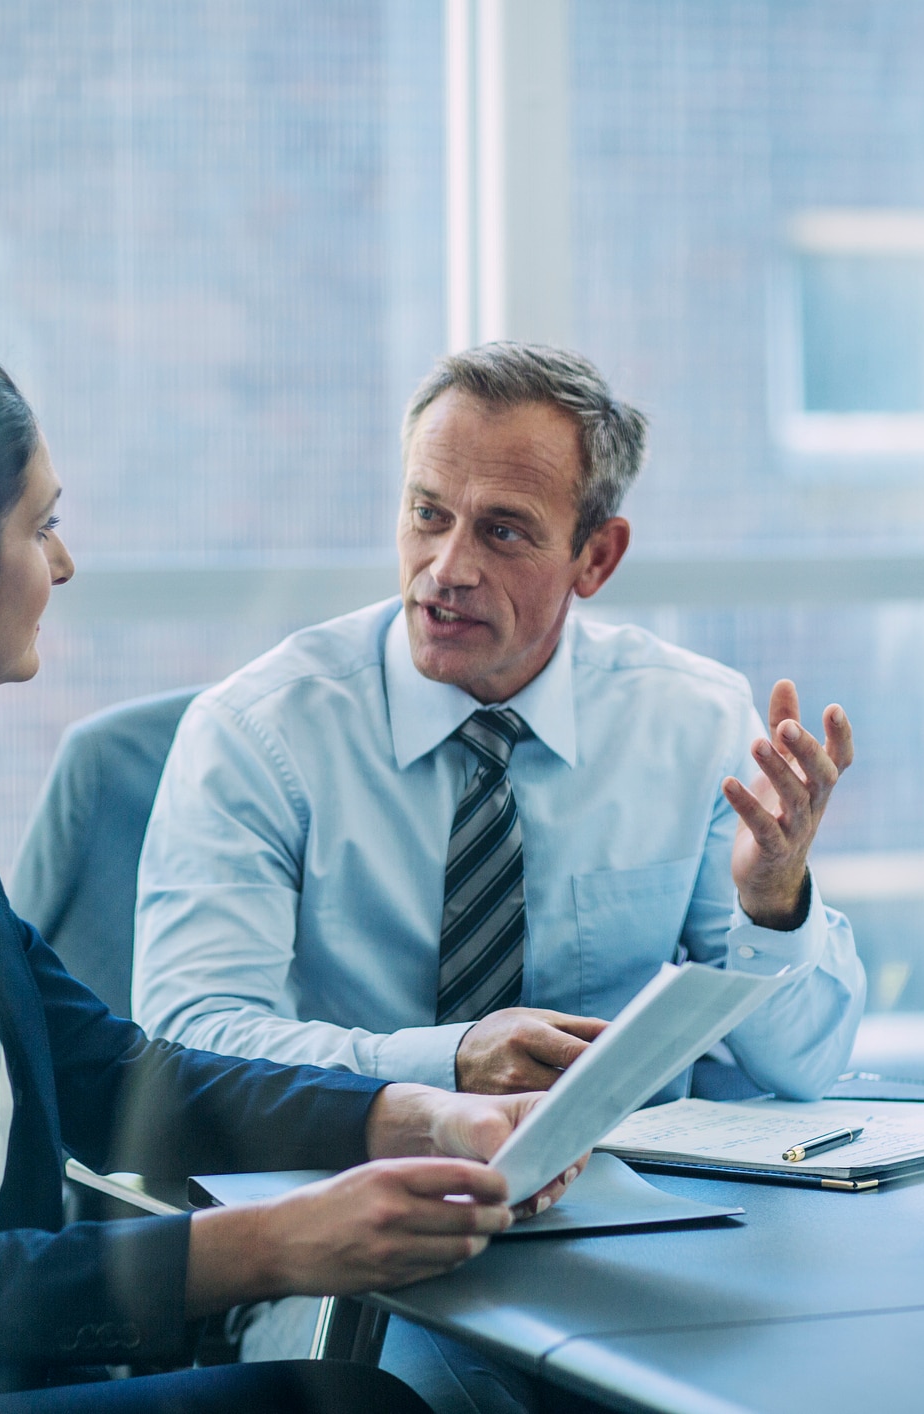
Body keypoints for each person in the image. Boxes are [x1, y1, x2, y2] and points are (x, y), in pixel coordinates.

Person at [0, 335, 580, 1414]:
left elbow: (117, 1074)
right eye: (42, 527)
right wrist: (272, 1244)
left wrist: (417, 1116)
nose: (62, 566)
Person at [134, 342, 864, 1105]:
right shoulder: (258, 733)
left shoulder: (692, 724)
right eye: (428, 515)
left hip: (628, 1197)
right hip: (344, 1187)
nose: (446, 568)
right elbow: (191, 1042)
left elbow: (801, 1067)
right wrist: (444, 1065)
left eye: (502, 531)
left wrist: (773, 903)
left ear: (596, 558)